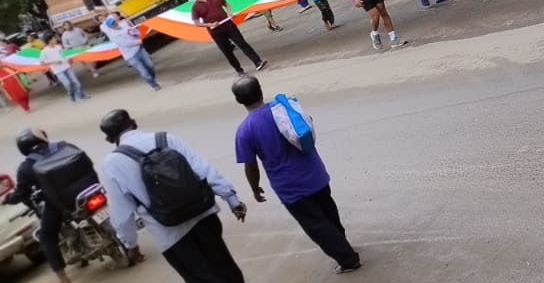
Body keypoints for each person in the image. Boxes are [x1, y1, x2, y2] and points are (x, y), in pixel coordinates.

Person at [100, 109, 247, 283]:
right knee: (225, 268)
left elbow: (122, 214)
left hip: (170, 232)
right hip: (204, 216)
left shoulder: (112, 163)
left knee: (201, 278)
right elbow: (203, 170)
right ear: (133, 122)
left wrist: (130, 245)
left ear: (109, 139)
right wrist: (231, 199)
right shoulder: (165, 138)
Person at [231, 77, 361, 274]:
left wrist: (255, 188)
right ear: (260, 90)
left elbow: (251, 167)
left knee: (316, 225)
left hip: (291, 188)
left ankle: (348, 259)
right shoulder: (283, 109)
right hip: (316, 174)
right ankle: (342, 244)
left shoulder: (244, 131)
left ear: (238, 101)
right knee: (328, 214)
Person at [7, 129, 88, 283]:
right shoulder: (65, 146)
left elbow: (20, 194)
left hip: (59, 202)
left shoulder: (26, 168)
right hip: (87, 188)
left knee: (47, 237)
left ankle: (63, 279)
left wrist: (8, 199)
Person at [191, 0, 268, 76]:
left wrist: (229, 11)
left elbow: (226, 4)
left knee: (242, 43)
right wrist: (209, 24)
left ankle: (257, 62)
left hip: (229, 25)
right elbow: (196, 22)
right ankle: (239, 70)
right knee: (227, 51)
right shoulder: (195, 7)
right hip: (216, 32)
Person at [101, 12, 159, 90]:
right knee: (143, 71)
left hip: (139, 49)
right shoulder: (113, 36)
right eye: (112, 24)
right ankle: (154, 85)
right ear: (110, 27)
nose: (114, 24)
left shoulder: (124, 25)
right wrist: (139, 41)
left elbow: (133, 32)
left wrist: (139, 34)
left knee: (150, 65)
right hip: (130, 55)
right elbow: (126, 44)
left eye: (114, 22)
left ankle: (152, 78)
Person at [39, 36, 87, 102]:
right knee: (68, 84)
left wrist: (68, 59)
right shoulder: (44, 51)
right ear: (49, 40)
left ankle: (81, 95)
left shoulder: (58, 47)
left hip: (66, 67)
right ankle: (71, 94)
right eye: (53, 38)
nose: (55, 39)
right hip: (58, 70)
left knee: (75, 81)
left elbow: (63, 55)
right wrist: (54, 62)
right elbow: (42, 63)